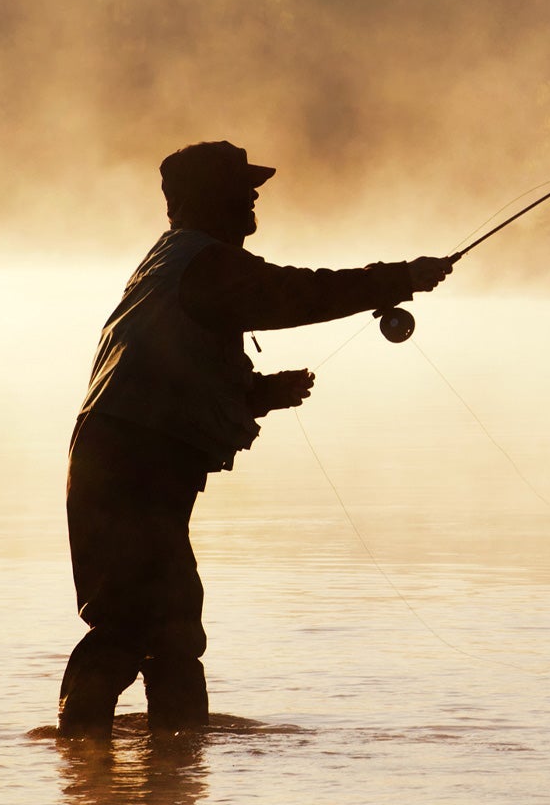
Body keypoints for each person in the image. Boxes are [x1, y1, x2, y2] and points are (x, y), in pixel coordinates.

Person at [57, 140, 453, 738]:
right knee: (136, 621)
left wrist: (260, 393)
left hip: (126, 460)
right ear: (207, 198)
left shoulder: (176, 261)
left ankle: (167, 763)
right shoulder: (207, 263)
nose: (253, 197)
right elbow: (298, 294)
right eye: (242, 188)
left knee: (168, 625)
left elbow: (174, 371)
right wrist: (394, 280)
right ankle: (86, 757)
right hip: (130, 464)